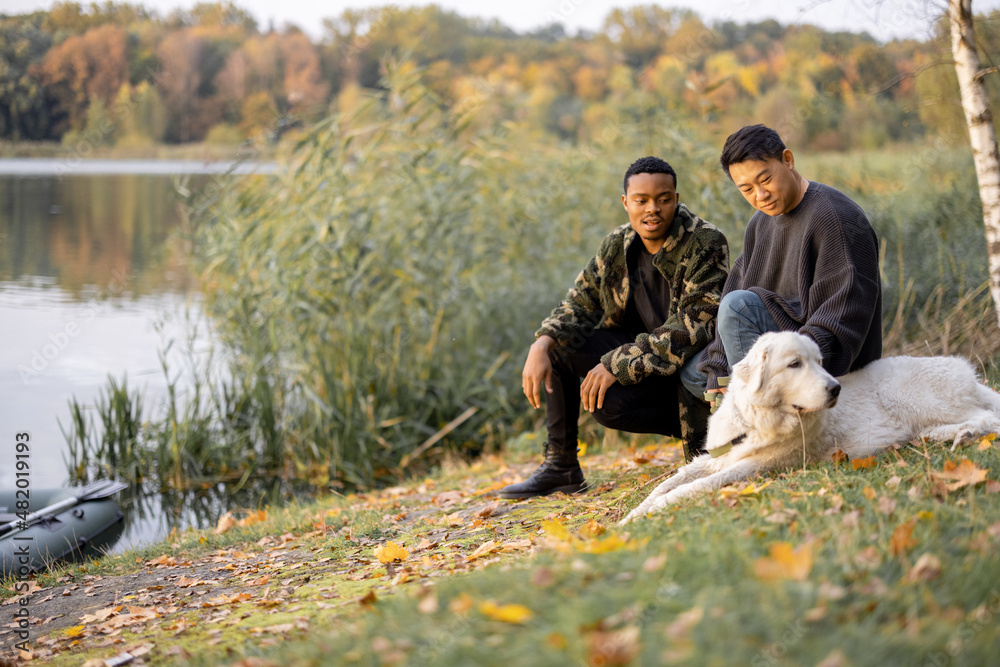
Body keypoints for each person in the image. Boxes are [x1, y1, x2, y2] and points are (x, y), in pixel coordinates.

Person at [500, 156, 729, 499]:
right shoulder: (617, 246)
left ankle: (703, 431)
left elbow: (693, 327)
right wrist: (542, 343)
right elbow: (580, 303)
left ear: (676, 199)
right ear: (626, 203)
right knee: (563, 350)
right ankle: (561, 467)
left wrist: (614, 364)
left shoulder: (705, 242)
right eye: (641, 201)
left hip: (689, 370)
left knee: (612, 399)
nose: (653, 209)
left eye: (663, 199)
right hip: (644, 364)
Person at [681, 124, 882, 413]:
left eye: (765, 179)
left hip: (823, 366)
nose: (760, 195)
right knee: (694, 371)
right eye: (747, 189)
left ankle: (762, 431)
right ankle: (751, 415)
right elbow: (734, 287)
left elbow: (841, 321)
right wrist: (718, 370)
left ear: (788, 160)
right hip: (777, 353)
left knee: (739, 308)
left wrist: (781, 365)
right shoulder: (760, 223)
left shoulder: (836, 219)